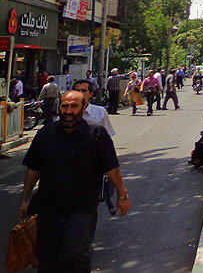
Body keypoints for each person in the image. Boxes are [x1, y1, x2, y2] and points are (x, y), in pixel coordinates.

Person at [18, 91, 130, 272]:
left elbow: (112, 168)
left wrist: (122, 195)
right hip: (48, 208)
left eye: (74, 106)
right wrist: (25, 199)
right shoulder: (46, 134)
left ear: (84, 107)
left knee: (74, 253)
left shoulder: (97, 134)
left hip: (81, 209)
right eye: (64, 106)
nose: (68, 111)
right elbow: (33, 169)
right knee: (47, 257)